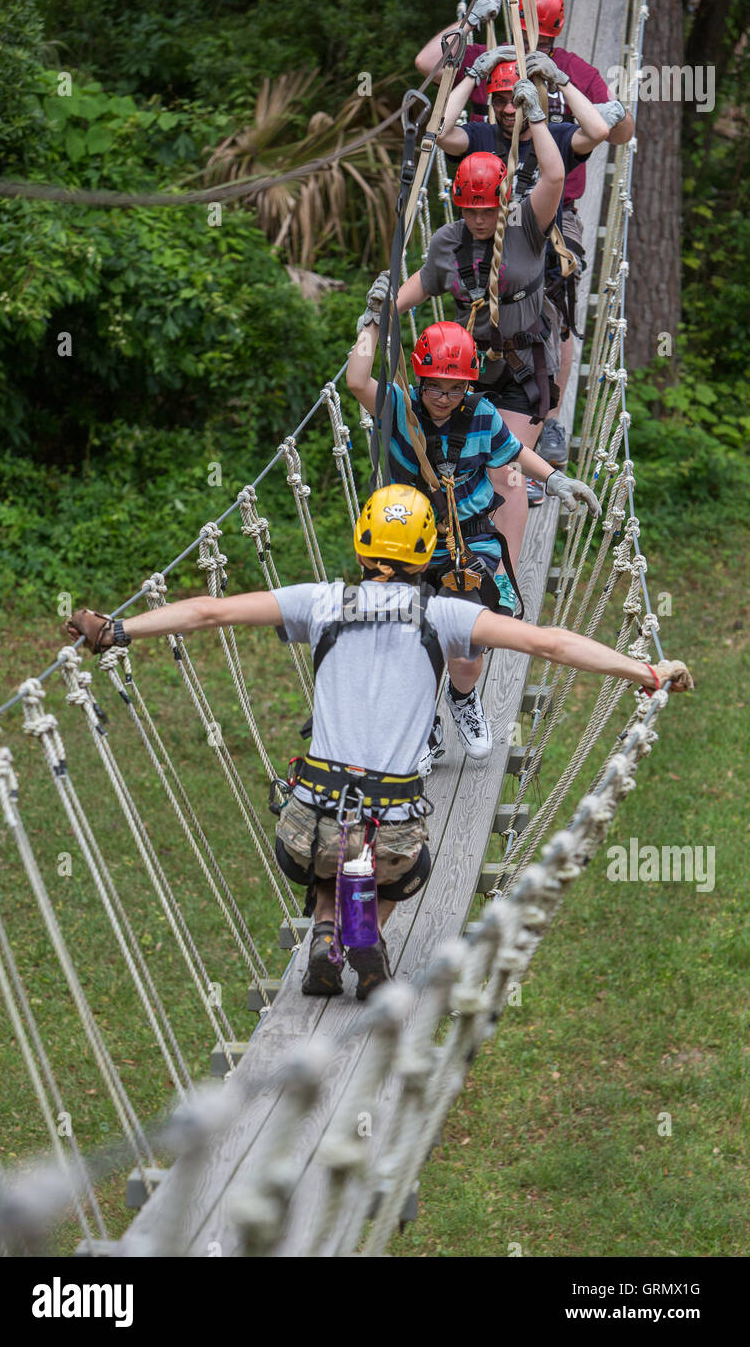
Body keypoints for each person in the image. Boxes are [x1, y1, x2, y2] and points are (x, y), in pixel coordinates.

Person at [65, 488, 693, 1000]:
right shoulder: (446, 614)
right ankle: (358, 931)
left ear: (361, 543)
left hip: (306, 825)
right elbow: (550, 642)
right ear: (428, 554)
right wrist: (644, 671)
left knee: (329, 835)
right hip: (390, 832)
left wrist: (119, 629)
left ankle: (328, 929)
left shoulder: (321, 602)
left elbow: (209, 613)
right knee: (404, 865)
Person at [347, 305, 601, 772]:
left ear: (469, 385)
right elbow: (358, 380)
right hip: (409, 547)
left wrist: (556, 481)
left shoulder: (481, 413)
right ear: (420, 381)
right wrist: (372, 324)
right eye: (435, 387)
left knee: (465, 644)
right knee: (408, 641)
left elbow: (515, 451)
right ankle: (422, 722)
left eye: (456, 387)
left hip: (470, 544)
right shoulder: (400, 410)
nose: (444, 398)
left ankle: (462, 697)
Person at [416, 0, 634, 469]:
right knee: (476, 298)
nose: (509, 107)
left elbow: (612, 131)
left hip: (550, 222)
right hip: (483, 223)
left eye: (547, 42)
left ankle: (545, 413)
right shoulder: (485, 58)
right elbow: (430, 69)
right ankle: (476, 398)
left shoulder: (570, 73)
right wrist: (472, 27)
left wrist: (557, 83)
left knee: (555, 290)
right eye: (502, 102)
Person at [395, 92, 570, 572]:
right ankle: (458, 560)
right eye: (470, 210)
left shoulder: (526, 229)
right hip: (465, 370)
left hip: (523, 368)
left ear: (503, 202)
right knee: (454, 468)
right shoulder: (448, 241)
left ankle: (504, 576)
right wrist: (383, 309)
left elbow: (554, 176)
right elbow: (426, 281)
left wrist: (537, 116)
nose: (479, 219)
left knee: (505, 471)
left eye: (487, 209)